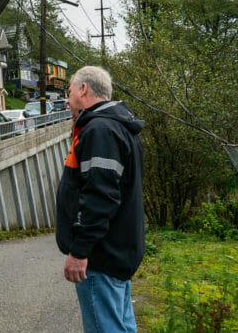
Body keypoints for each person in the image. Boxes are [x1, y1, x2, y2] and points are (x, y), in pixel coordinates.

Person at [56, 66, 145, 332]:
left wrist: (80, 251)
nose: (68, 96)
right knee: (120, 326)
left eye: (69, 89)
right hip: (117, 249)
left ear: (83, 88)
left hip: (101, 255)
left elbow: (100, 198)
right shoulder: (118, 127)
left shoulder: (100, 131)